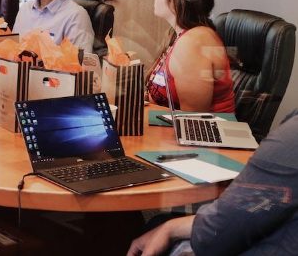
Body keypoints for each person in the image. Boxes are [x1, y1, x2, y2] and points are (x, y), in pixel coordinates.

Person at [127, 109, 298, 256]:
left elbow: (217, 236)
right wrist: (170, 227)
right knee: (160, 224)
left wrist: (168, 228)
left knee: (153, 227)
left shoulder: (292, 138)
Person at [145, 0, 234, 113]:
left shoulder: (193, 42)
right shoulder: (178, 35)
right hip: (173, 126)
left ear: (176, 0)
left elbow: (192, 119)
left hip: (204, 132)